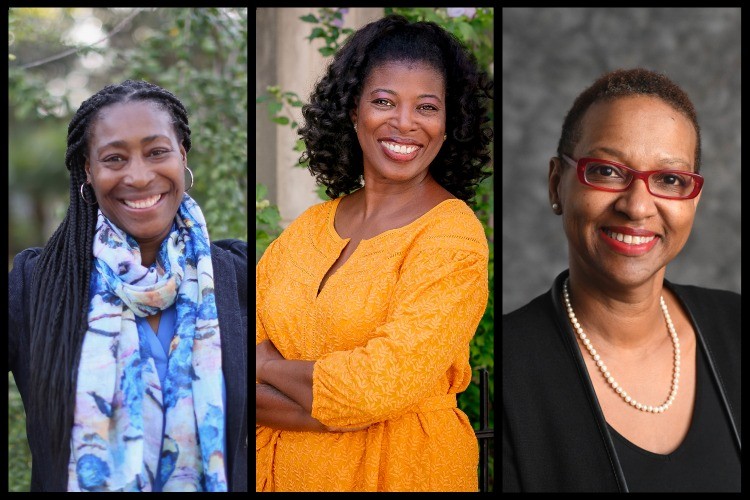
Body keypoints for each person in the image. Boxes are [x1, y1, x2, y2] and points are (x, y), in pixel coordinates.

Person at [255, 14, 493, 492]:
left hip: (403, 473)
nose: (404, 123)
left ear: (449, 124)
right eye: (384, 101)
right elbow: (235, 346)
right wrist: (330, 399)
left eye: (426, 107)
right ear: (352, 111)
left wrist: (260, 373)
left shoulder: (453, 238)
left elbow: (373, 387)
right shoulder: (307, 230)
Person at [502, 68, 741, 492]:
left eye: (670, 179)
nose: (637, 206)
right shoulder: (510, 369)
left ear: (693, 200)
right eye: (608, 171)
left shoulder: (736, 326)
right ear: (558, 183)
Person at [8, 80, 248, 492]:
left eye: (157, 152)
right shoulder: (37, 284)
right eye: (115, 159)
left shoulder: (237, 277)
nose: (138, 176)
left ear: (182, 156)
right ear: (88, 169)